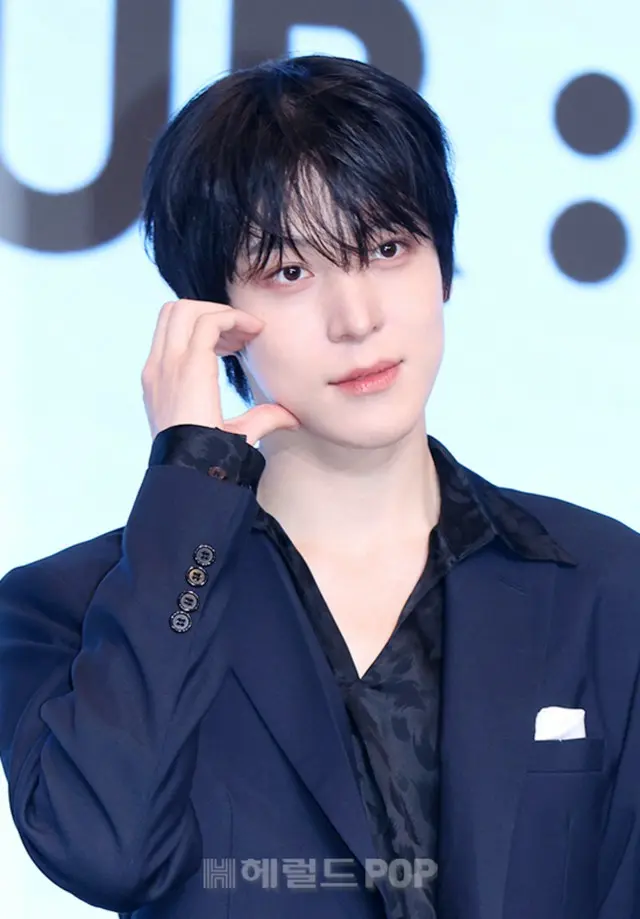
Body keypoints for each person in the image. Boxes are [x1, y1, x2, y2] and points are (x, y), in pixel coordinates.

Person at [0, 53, 639, 919]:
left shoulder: (606, 584)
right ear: (213, 317)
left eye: (387, 248)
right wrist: (188, 486)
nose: (358, 318)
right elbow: (104, 851)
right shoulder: (70, 610)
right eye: (290, 272)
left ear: (442, 264)